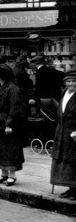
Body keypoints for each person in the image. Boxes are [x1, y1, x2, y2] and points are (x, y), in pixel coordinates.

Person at [0, 64, 26, 187]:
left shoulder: (13, 89)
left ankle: (12, 175)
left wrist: (9, 124)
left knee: (9, 149)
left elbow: (15, 108)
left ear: (0, 75)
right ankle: (3, 173)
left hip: (8, 123)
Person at [50, 70, 76, 200]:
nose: (71, 84)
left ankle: (74, 190)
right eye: (68, 81)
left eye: (73, 81)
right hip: (62, 132)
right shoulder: (64, 93)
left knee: (73, 162)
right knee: (65, 161)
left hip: (73, 133)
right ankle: (70, 188)